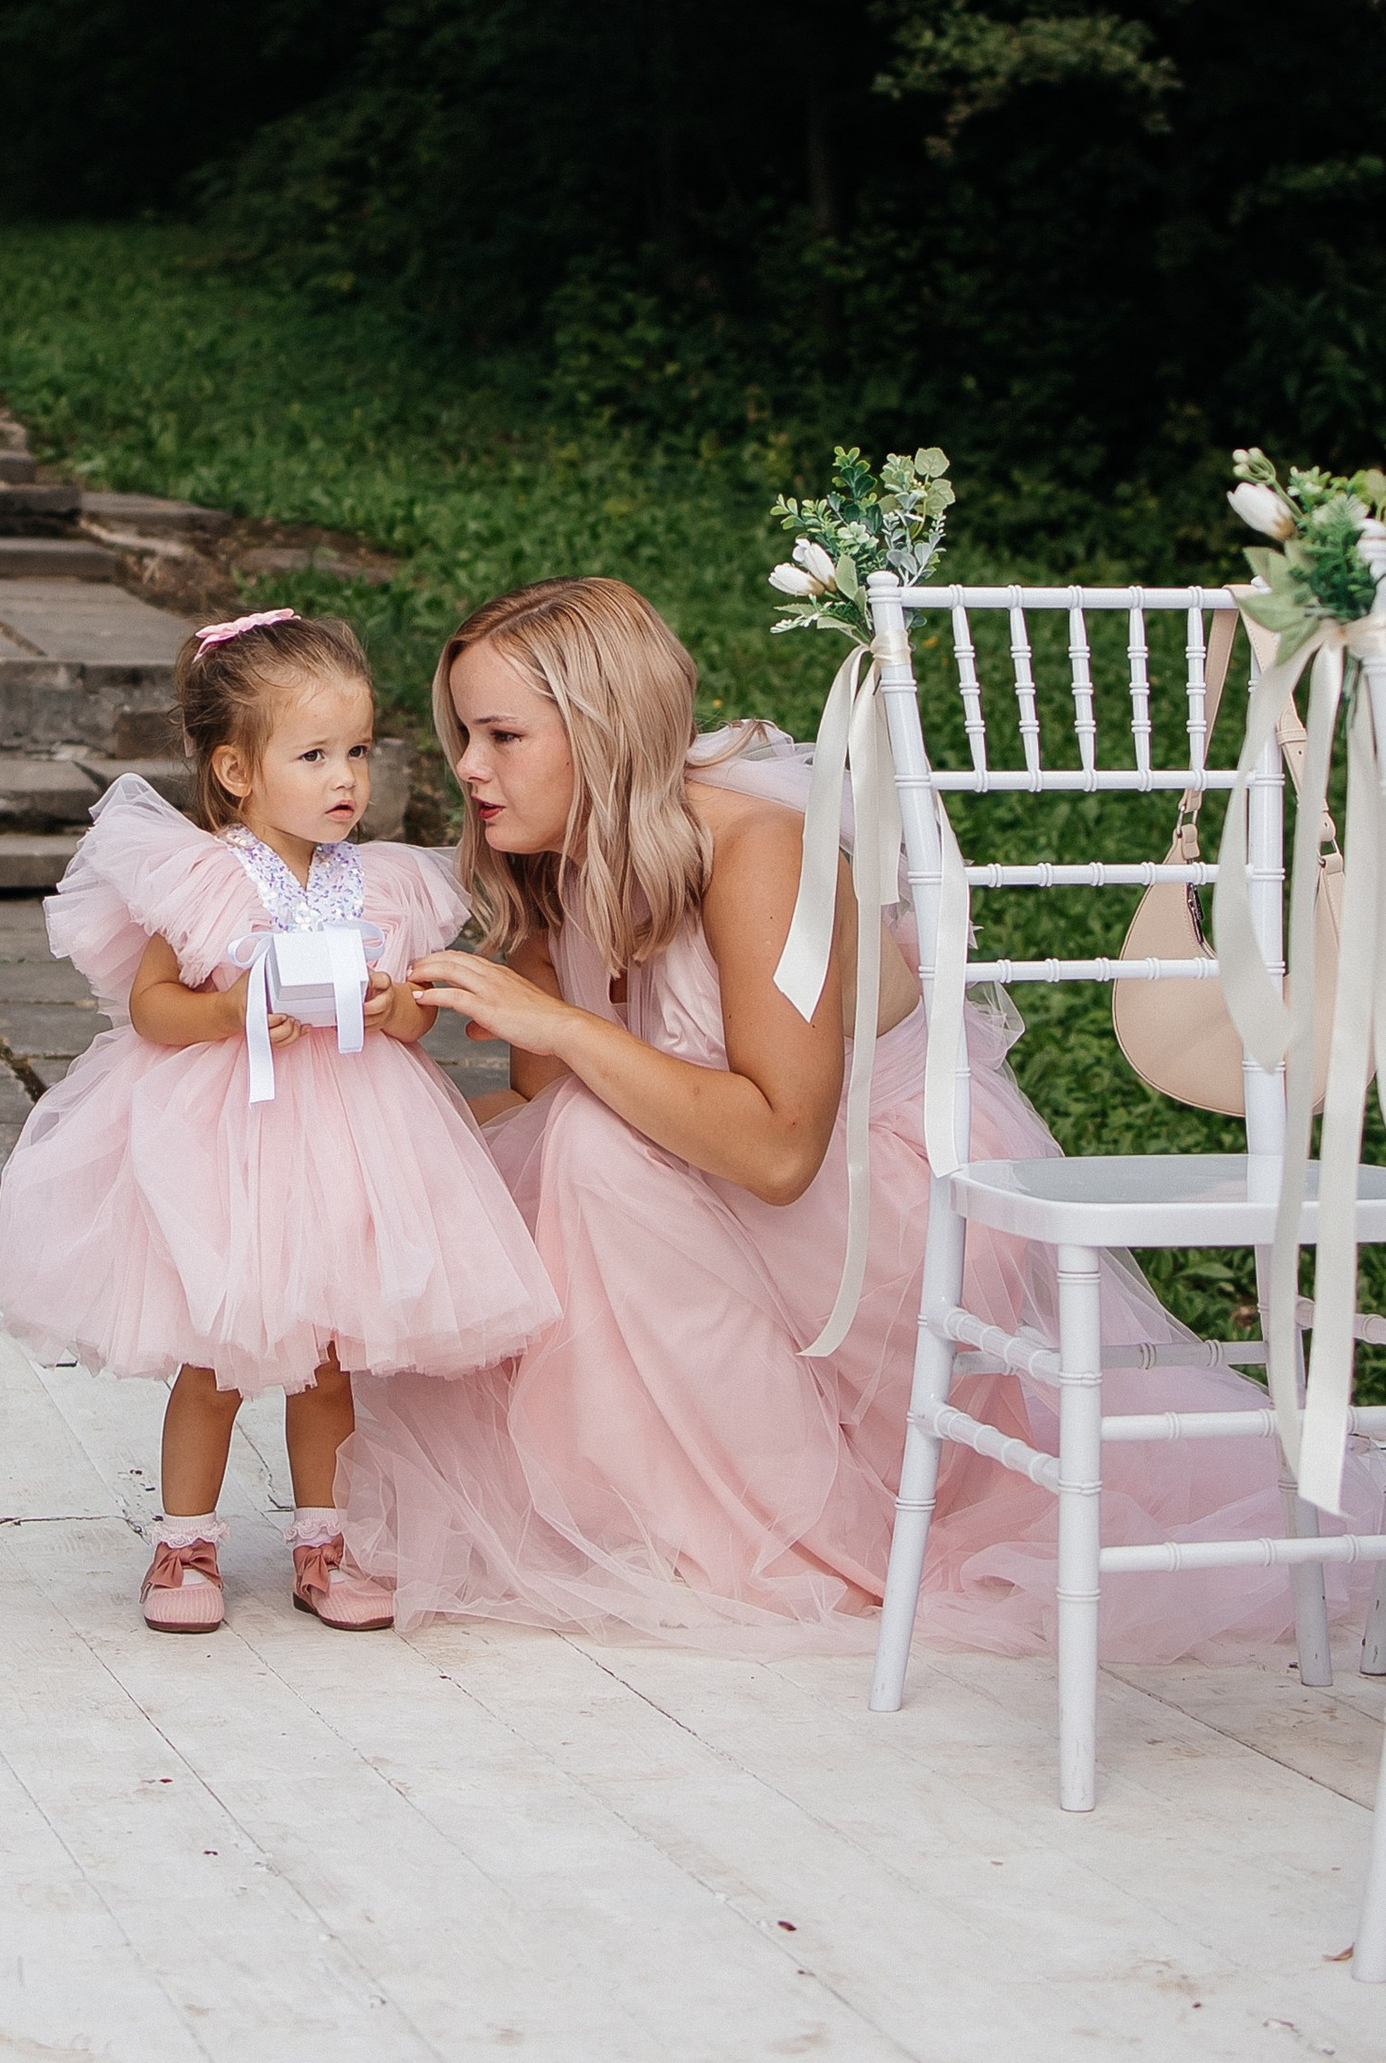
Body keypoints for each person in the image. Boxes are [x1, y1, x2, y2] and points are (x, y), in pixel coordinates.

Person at [340, 574, 1328, 1651]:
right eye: (464, 735)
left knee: (590, 1149)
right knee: (519, 1153)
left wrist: (562, 1027)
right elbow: (545, 1106)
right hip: (724, 1199)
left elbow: (779, 1153)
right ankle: (652, 1505)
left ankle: (795, 1541)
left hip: (885, 1214)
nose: (468, 767)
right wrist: (397, 1098)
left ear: (602, 730)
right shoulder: (556, 866)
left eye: (501, 736)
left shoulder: (758, 850)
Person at [0, 607, 558, 1636]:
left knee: (328, 1360)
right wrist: (229, 1011)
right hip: (230, 1139)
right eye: (314, 755)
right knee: (216, 1357)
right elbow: (152, 1006)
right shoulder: (206, 875)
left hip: (350, 1140)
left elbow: (415, 1018)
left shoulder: (380, 883)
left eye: (358, 752)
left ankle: (323, 1542)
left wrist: (393, 1004)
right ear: (237, 771)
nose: (347, 779)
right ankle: (183, 1543)